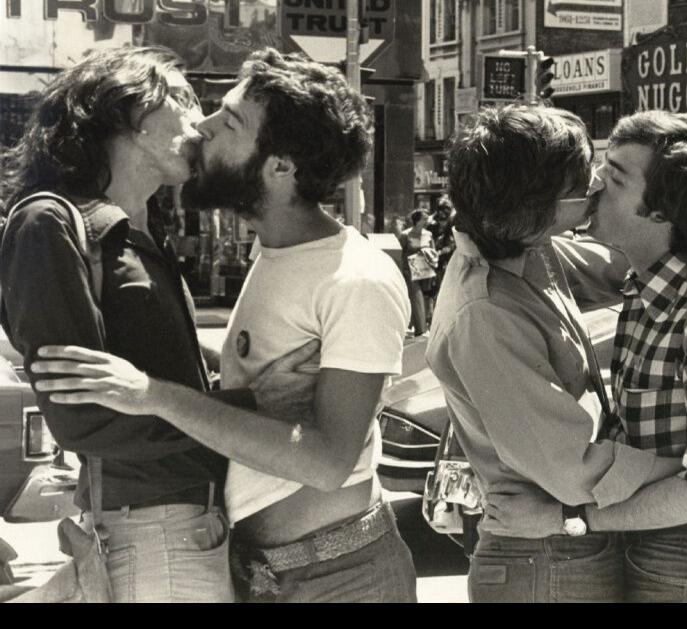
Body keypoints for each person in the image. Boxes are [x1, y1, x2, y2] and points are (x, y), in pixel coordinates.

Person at [31, 49, 417, 603]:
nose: (202, 129)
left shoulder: (355, 277)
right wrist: (239, 391)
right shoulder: (276, 250)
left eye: (229, 121)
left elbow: (328, 461)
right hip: (255, 571)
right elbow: (258, 388)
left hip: (340, 578)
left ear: (281, 166)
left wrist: (154, 395)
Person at [0, 46, 315, 603]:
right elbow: (83, 418)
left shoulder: (141, 233)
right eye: (185, 100)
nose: (201, 125)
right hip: (151, 531)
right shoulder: (50, 220)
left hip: (189, 525)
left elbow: (165, 380)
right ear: (134, 116)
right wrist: (249, 405)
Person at [427, 105, 687, 603]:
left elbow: (652, 259)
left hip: (620, 545)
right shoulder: (486, 309)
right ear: (536, 208)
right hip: (546, 547)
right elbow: (577, 471)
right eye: (579, 182)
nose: (595, 185)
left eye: (610, 176)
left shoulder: (532, 250)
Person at [402, 209, 436, 334]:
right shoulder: (405, 235)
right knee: (416, 297)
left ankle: (421, 325)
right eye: (424, 219)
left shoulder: (429, 234)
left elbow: (434, 252)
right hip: (411, 270)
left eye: (427, 219)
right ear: (417, 221)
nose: (427, 221)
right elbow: (401, 253)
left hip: (426, 270)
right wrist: (402, 271)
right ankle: (421, 329)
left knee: (426, 298)